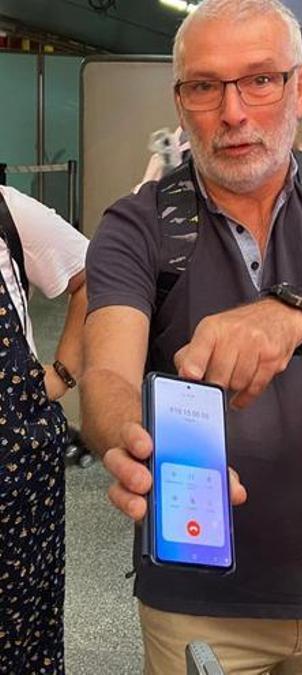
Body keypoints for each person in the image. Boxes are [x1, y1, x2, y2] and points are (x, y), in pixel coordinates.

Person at [80, 0, 302, 671]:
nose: (234, 113)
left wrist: (296, 317)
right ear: (182, 103)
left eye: (260, 80)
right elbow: (107, 376)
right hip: (196, 600)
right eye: (206, 86)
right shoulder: (139, 224)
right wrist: (128, 439)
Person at [0, 183, 88, 672]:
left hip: (15, 478)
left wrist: (63, 373)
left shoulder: (6, 209)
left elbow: (91, 273)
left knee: (20, 629)